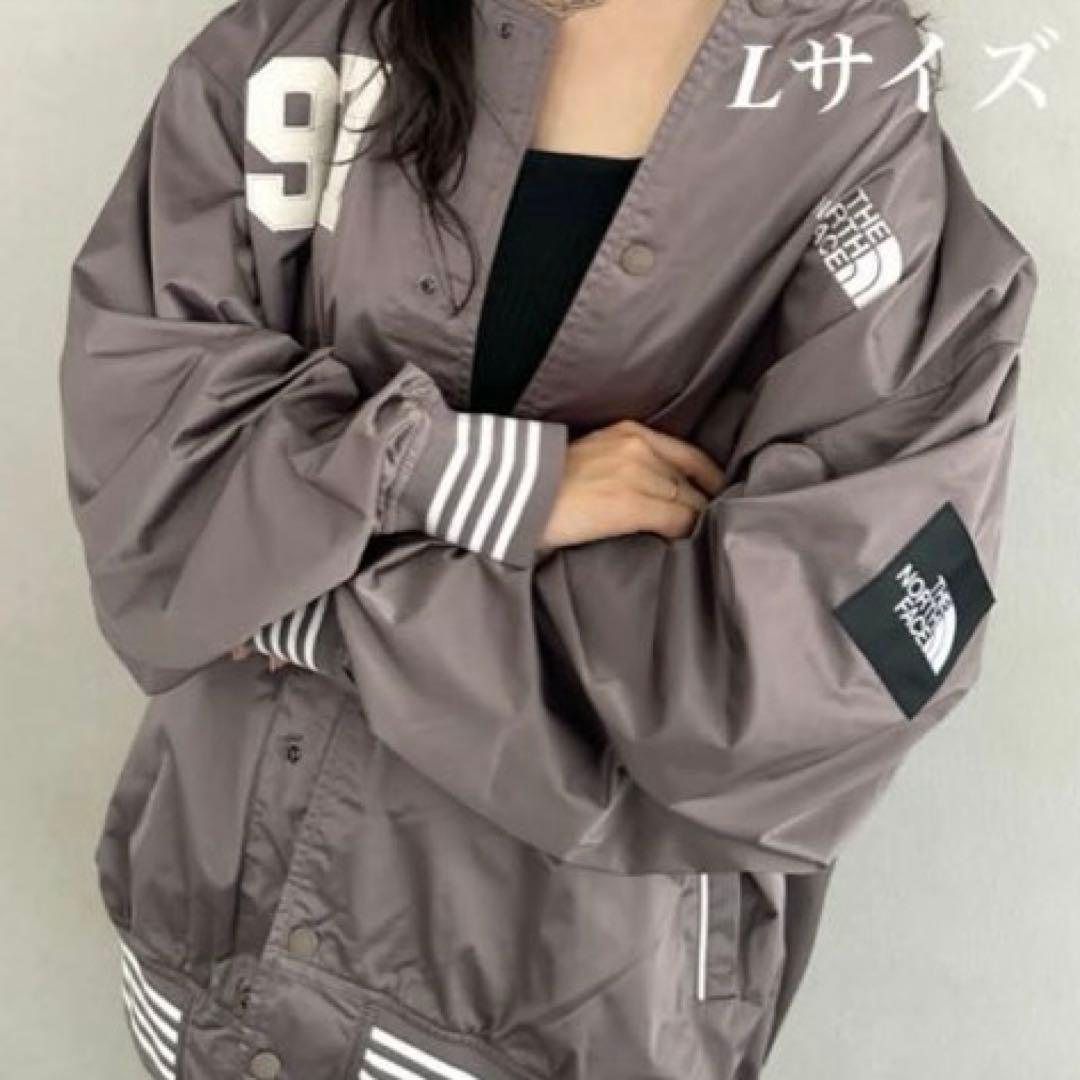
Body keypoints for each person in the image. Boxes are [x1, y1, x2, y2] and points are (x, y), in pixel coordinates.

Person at [58, 0, 1038, 1077]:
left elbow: (789, 689)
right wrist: (471, 477)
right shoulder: (303, 41)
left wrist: (301, 607)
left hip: (551, 1018)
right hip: (208, 950)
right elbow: (147, 462)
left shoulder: (855, 121)